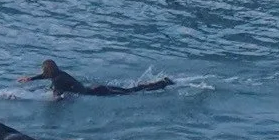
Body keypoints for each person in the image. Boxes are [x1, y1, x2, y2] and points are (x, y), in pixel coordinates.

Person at [20, 59, 171, 97]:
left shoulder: (57, 80)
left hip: (98, 92)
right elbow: (46, 76)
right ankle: (160, 82)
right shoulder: (59, 74)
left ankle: (161, 84)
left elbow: (57, 96)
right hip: (97, 89)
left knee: (132, 92)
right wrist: (30, 79)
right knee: (131, 90)